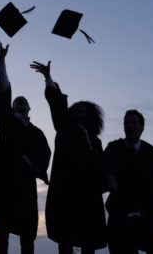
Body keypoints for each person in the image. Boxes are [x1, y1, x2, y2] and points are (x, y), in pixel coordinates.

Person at [30, 61, 107, 254]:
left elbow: (101, 166)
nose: (77, 109)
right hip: (67, 193)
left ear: (89, 113)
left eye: (81, 107)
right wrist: (48, 78)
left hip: (89, 196)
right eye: (75, 107)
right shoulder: (65, 128)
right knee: (65, 241)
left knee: (88, 242)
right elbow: (57, 104)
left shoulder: (96, 141)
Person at [0, 41, 51, 254]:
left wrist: (36, 168)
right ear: (13, 107)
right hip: (6, 182)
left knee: (27, 235)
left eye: (24, 101)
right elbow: (4, 86)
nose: (21, 102)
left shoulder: (37, 133)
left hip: (26, 185)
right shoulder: (7, 121)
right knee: (2, 233)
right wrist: (2, 61)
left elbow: (45, 154)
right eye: (17, 101)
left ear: (29, 107)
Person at [104, 110, 153, 254]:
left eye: (134, 122)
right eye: (127, 122)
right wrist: (109, 176)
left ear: (142, 127)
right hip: (120, 213)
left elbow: (152, 183)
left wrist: (148, 210)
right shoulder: (113, 148)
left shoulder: (151, 152)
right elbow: (103, 167)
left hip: (145, 213)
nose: (130, 125)